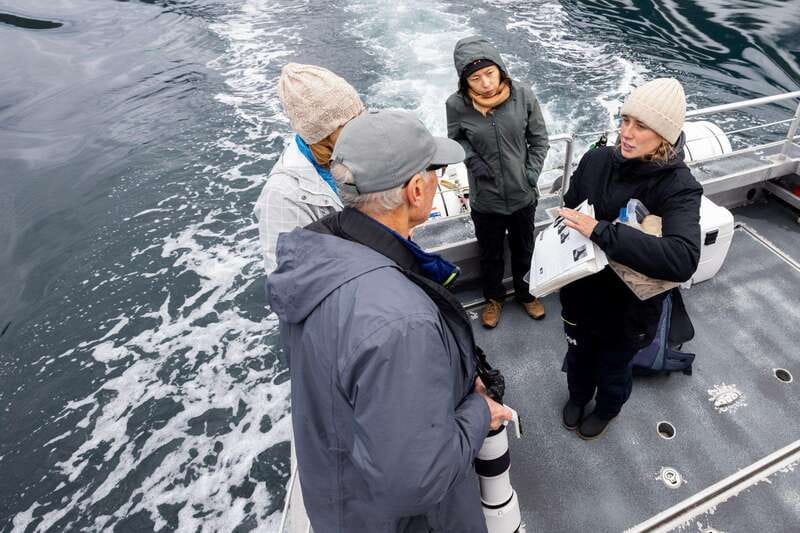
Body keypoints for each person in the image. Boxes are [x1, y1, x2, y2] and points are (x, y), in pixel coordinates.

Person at [267, 110, 513, 532]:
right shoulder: (401, 322)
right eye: (433, 171)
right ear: (417, 190)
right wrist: (477, 411)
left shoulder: (314, 255)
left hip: (341, 497)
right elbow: (417, 481)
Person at [558, 78, 703, 440]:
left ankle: (607, 409)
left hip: (629, 311)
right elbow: (572, 205)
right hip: (580, 294)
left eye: (641, 125)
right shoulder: (594, 160)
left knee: (614, 367)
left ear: (665, 135)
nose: (627, 132)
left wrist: (601, 232)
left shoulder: (679, 187)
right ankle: (577, 395)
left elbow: (684, 258)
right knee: (578, 355)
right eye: (624, 120)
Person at [446, 35, 550, 328]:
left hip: (522, 195)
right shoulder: (456, 105)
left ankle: (526, 293)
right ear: (465, 82)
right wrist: (471, 158)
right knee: (490, 254)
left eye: (490, 73)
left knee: (524, 249)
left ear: (501, 69)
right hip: (486, 199)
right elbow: (456, 139)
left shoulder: (524, 95)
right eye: (476, 78)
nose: (486, 83)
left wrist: (529, 175)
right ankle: (494, 298)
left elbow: (539, 140)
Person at [253, 63, 365, 274]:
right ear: (323, 134)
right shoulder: (283, 196)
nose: (363, 126)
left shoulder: (352, 151)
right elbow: (292, 287)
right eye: (351, 122)